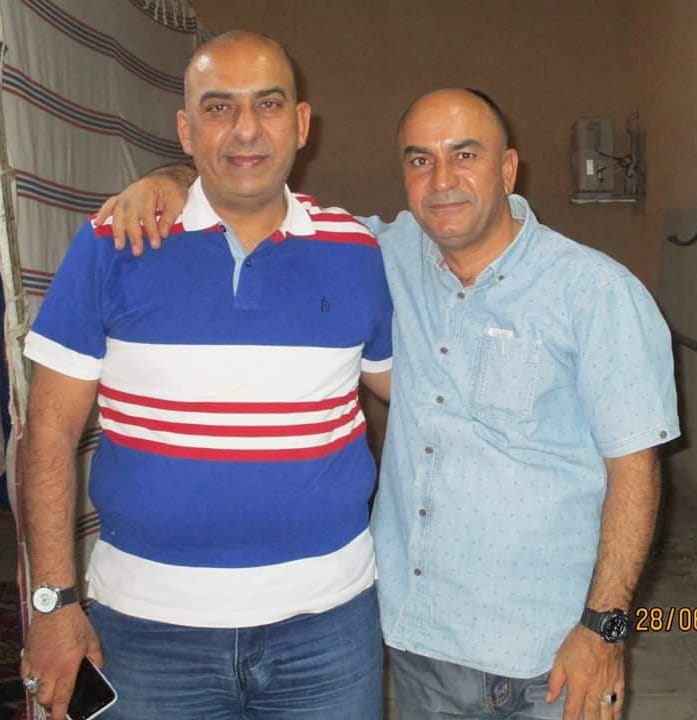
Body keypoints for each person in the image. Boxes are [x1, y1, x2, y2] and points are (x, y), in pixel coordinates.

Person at [97, 88, 679, 720]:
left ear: (508, 169)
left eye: (465, 155)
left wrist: (605, 629)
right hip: (418, 643)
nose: (442, 179)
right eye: (420, 160)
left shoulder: (596, 293)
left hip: (548, 655)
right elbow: (260, 204)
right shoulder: (377, 255)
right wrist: (173, 179)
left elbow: (635, 472)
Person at [20, 31, 392, 720]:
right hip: (144, 633)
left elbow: (420, 395)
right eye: (219, 107)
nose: (246, 129)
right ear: (186, 131)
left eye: (268, 104)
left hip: (327, 631)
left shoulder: (358, 252)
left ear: (301, 124)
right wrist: (52, 604)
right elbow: (47, 431)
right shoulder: (112, 242)